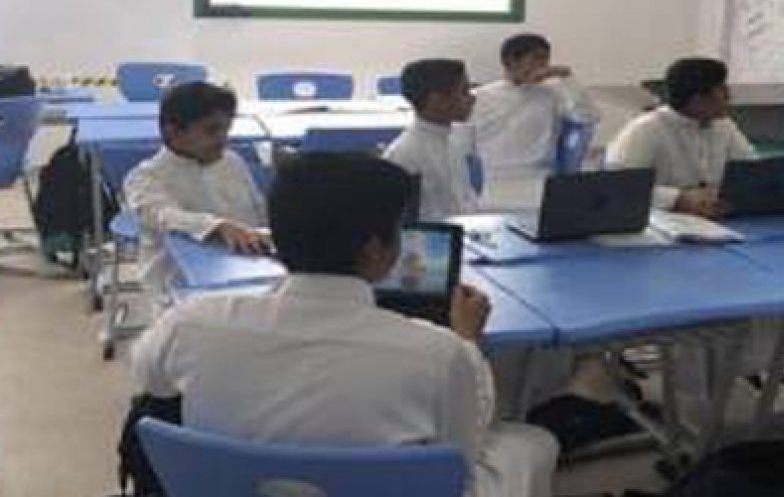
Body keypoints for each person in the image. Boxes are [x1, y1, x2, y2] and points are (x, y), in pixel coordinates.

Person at [130, 153, 559, 497]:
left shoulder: (191, 323)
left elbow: (152, 380)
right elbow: (459, 457)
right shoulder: (439, 354)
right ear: (376, 251)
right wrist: (467, 343)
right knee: (532, 445)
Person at [124, 82, 269, 307]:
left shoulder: (232, 162)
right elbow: (165, 217)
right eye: (211, 130)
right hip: (178, 288)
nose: (223, 139)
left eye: (226, 130)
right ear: (172, 132)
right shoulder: (145, 178)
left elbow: (259, 213)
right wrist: (219, 226)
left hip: (248, 273)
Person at [606, 57, 756, 218]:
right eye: (722, 89)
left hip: (717, 219)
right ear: (698, 99)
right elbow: (620, 187)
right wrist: (677, 199)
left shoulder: (724, 126)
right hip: (660, 221)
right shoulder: (645, 129)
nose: (729, 97)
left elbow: (751, 171)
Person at [472, 33, 599, 179]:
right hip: (489, 175)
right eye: (537, 58)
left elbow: (588, 117)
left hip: (537, 174)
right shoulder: (477, 97)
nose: (543, 66)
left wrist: (565, 76)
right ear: (510, 61)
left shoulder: (552, 94)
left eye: (546, 59)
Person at [384, 59, 480, 221]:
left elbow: (465, 201)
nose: (473, 98)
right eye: (464, 91)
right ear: (437, 100)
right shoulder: (403, 154)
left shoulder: (455, 139)